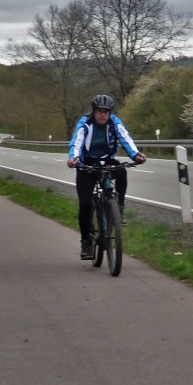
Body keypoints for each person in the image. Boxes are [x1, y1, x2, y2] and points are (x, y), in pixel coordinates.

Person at [66, 94, 147, 260]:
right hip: (86, 165)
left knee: (122, 171)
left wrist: (136, 155)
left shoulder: (114, 122)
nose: (102, 115)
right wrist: (74, 158)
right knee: (85, 204)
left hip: (107, 162)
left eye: (106, 112)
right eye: (99, 111)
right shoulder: (85, 122)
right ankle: (86, 242)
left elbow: (125, 138)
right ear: (94, 112)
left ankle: (119, 208)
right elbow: (77, 141)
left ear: (110, 113)